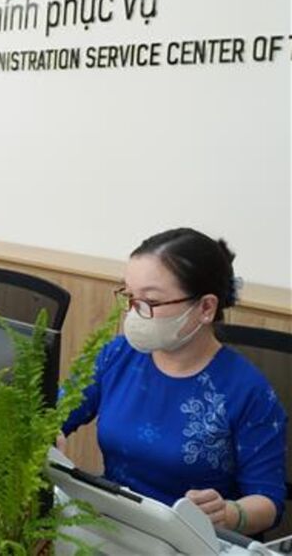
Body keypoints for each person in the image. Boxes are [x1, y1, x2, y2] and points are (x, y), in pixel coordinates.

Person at [61, 228, 287, 535]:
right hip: (114, 524)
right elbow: (54, 414)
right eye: (130, 297)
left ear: (205, 308)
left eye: (150, 301)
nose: (134, 313)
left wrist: (229, 514)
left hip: (191, 539)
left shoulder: (248, 391)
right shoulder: (117, 355)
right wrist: (47, 435)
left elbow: (268, 500)